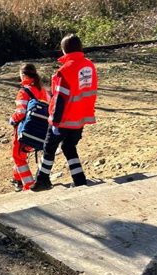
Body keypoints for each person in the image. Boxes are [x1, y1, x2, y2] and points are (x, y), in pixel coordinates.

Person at [30, 34, 98, 191]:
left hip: (64, 119)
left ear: (64, 50)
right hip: (81, 118)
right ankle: (79, 179)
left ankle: (42, 180)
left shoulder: (65, 71)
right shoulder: (89, 66)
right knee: (68, 146)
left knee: (48, 148)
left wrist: (55, 121)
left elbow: (60, 98)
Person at [9, 64, 49, 191]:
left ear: (24, 75)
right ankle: (17, 179)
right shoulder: (42, 90)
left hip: (25, 129)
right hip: (40, 129)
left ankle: (28, 184)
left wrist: (11, 120)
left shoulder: (23, 91)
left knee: (17, 156)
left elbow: (20, 113)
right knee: (22, 155)